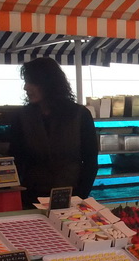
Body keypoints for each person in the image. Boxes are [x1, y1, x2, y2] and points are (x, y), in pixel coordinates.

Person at [8, 57, 99, 207]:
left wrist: (80, 196)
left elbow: (90, 162)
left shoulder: (80, 115)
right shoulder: (22, 117)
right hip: (31, 197)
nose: (26, 87)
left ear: (48, 83)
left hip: (71, 196)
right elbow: (16, 161)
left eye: (31, 82)